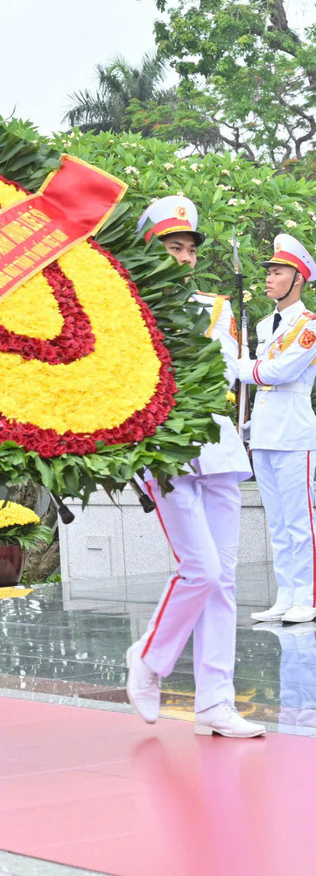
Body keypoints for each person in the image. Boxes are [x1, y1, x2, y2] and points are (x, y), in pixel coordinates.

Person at [122, 197, 265, 738]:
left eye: (187, 248)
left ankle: (215, 701)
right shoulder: (124, 306)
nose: (183, 257)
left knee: (223, 579)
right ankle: (151, 659)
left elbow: (228, 371)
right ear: (147, 250)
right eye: (171, 247)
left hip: (218, 444)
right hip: (163, 449)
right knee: (199, 568)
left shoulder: (216, 307)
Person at [236, 233, 316, 626]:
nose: (268, 277)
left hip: (295, 436)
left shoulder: (309, 326)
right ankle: (287, 596)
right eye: (268, 271)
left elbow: (280, 372)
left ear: (298, 278)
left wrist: (238, 368)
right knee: (278, 523)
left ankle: (309, 597)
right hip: (265, 433)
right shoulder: (268, 323)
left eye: (278, 271)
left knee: (301, 521)